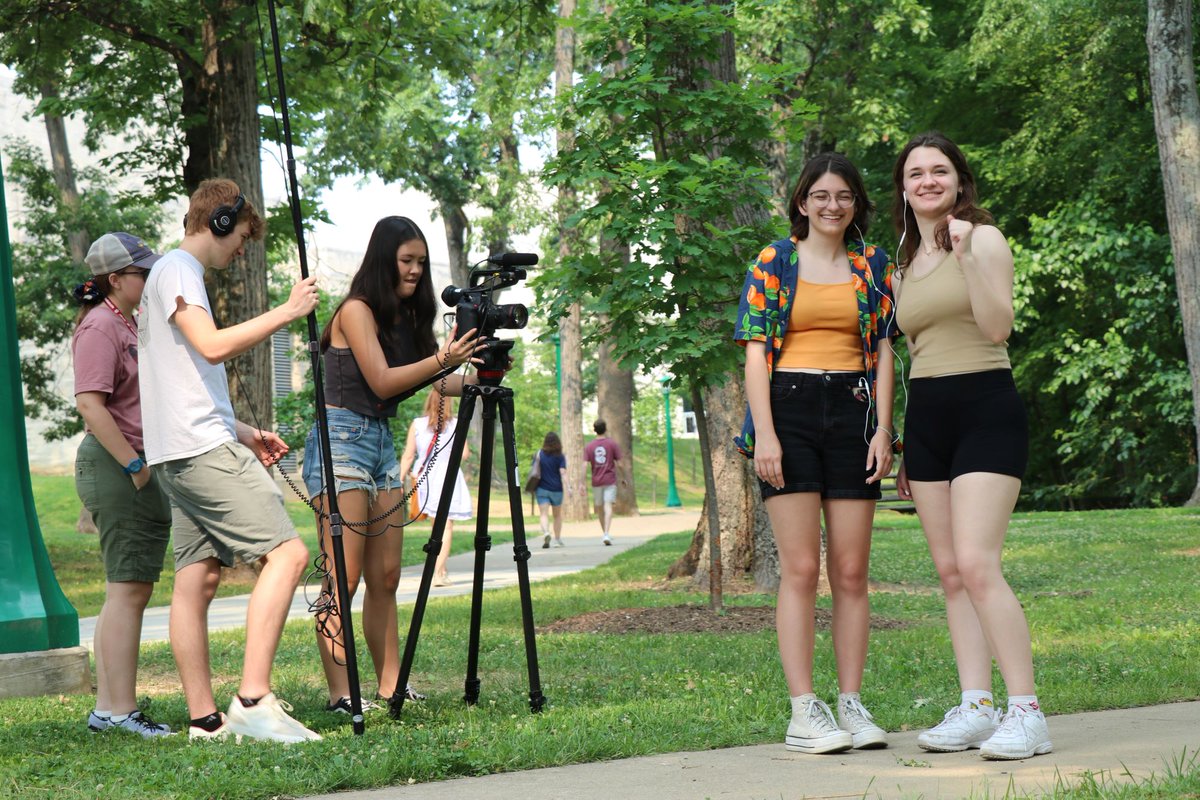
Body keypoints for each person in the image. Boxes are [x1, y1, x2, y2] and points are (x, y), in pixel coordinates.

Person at [138, 178, 322, 743]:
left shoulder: (172, 274)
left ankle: (205, 722)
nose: (242, 248)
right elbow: (212, 345)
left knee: (197, 577)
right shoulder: (177, 271)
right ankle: (253, 700)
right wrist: (286, 312)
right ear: (219, 223)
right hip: (198, 451)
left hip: (183, 449)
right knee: (289, 555)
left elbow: (186, 379)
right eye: (241, 235)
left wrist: (246, 433)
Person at [891, 132, 1051, 760]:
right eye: (915, 174)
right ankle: (976, 706)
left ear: (959, 180)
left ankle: (1027, 712)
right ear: (903, 189)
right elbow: (912, 352)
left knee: (979, 564)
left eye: (939, 171)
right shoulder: (903, 259)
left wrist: (967, 259)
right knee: (952, 574)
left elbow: (997, 326)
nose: (927, 181)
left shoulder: (982, 238)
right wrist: (906, 442)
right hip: (929, 416)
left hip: (986, 406)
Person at [733, 153, 897, 755]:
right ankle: (805, 709)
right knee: (801, 569)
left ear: (857, 204)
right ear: (802, 202)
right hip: (790, 408)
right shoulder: (776, 259)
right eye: (822, 195)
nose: (833, 205)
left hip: (854, 410)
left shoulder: (872, 264)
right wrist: (767, 435)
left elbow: (882, 352)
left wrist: (884, 430)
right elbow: (755, 352)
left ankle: (851, 702)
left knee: (851, 571)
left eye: (845, 196)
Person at [300, 215, 480, 715]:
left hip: (378, 443)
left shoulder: (403, 317)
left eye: (421, 262)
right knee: (345, 576)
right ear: (384, 258)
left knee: (386, 577)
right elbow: (382, 381)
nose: (417, 271)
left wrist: (482, 375)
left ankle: (390, 687)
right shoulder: (356, 311)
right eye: (407, 261)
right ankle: (341, 694)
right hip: (341, 439)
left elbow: (432, 381)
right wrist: (444, 360)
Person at [72, 232, 171, 738]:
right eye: (142, 272)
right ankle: (119, 712)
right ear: (117, 279)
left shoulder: (125, 323)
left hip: (126, 463)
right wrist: (135, 467)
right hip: (117, 465)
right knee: (128, 589)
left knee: (126, 590)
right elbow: (90, 404)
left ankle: (109, 711)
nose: (149, 279)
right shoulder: (99, 328)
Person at [399, 388, 473, 587]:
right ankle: (439, 572)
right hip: (447, 477)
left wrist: (398, 480)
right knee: (446, 526)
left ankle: (440, 568)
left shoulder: (417, 424)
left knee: (435, 526)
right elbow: (464, 454)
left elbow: (408, 455)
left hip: (425, 479)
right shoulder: (457, 424)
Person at [583, 419, 622, 545]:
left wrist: (582, 482)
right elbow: (620, 463)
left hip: (596, 481)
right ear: (605, 429)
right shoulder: (612, 444)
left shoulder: (589, 446)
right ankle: (606, 532)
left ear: (594, 429)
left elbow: (584, 465)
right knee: (608, 505)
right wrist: (623, 478)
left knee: (599, 508)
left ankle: (605, 533)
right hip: (610, 480)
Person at [534, 432, 568, 548]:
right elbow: (563, 472)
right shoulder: (560, 456)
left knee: (543, 514)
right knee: (557, 516)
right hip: (557, 489)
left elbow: (535, 470)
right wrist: (569, 487)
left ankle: (546, 533)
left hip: (542, 488)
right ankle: (557, 540)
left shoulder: (540, 454)